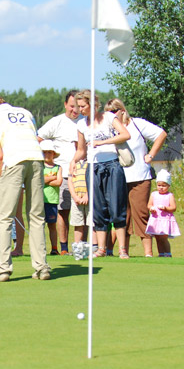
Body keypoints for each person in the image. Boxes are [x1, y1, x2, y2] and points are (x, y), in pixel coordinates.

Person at [0, 96, 49, 282]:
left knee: (5, 216)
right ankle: (41, 267)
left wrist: (1, 178)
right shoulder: (26, 112)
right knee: (36, 216)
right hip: (37, 159)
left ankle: (3, 270)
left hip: (14, 161)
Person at [71, 89, 131, 258]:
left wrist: (102, 142)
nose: (80, 110)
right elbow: (81, 150)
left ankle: (122, 249)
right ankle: (102, 248)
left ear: (92, 104)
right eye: (78, 106)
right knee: (98, 208)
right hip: (93, 166)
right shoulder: (81, 125)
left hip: (112, 164)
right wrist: (73, 161)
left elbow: (125, 135)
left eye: (83, 106)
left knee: (116, 206)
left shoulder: (109, 118)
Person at [106, 98, 168, 257]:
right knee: (121, 216)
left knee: (141, 215)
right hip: (118, 177)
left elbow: (161, 134)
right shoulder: (109, 128)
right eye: (108, 112)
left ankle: (148, 253)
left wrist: (151, 154)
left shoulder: (137, 124)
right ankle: (120, 251)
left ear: (122, 110)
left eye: (114, 111)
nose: (111, 115)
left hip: (139, 176)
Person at [37, 90, 81, 254]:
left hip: (81, 174)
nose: (75, 110)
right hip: (61, 173)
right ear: (65, 105)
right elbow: (38, 138)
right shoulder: (57, 122)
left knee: (81, 213)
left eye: (78, 107)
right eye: (71, 106)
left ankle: (80, 247)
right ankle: (63, 248)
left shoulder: (85, 121)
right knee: (62, 211)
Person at [146, 169, 181, 257]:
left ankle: (168, 253)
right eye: (159, 185)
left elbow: (173, 207)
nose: (161, 187)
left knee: (164, 238)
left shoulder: (169, 195)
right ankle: (161, 253)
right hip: (156, 219)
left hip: (165, 219)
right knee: (157, 237)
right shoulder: (154, 194)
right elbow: (149, 205)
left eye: (164, 186)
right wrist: (151, 208)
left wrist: (166, 208)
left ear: (168, 186)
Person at [41, 140, 61, 255]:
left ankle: (54, 248)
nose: (47, 155)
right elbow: (39, 181)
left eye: (50, 152)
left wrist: (45, 181)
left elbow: (58, 182)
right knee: (40, 225)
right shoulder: (39, 167)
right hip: (40, 199)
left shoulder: (58, 167)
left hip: (52, 200)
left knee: (52, 224)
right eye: (45, 152)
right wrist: (50, 179)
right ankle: (41, 248)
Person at [67, 159, 89, 245]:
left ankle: (94, 247)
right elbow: (70, 180)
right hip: (76, 197)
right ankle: (77, 246)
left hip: (89, 196)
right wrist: (75, 197)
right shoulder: (73, 162)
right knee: (78, 223)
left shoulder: (91, 161)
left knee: (92, 222)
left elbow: (94, 180)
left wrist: (88, 195)